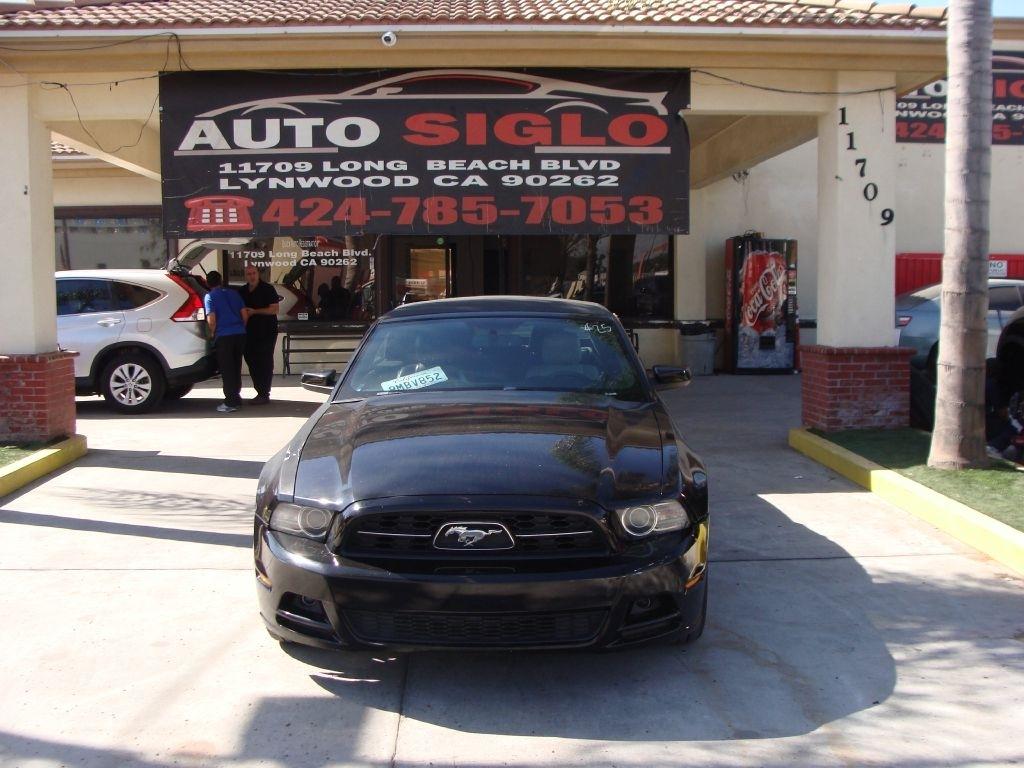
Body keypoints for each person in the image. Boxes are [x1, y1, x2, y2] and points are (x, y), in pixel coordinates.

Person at [203, 270, 247, 413]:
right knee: (236, 367)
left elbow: (212, 320)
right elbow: (244, 314)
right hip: (240, 334)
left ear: (207, 283)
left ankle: (230, 402)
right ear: (221, 280)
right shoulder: (234, 293)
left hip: (224, 336)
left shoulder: (209, 296)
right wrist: (241, 327)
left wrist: (211, 334)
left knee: (227, 370)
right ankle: (237, 398)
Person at [237, 264, 280, 405]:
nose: (252, 276)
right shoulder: (242, 291)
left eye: (254, 273)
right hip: (249, 332)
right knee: (251, 360)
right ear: (245, 276)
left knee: (264, 362)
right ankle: (259, 391)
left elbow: (274, 309)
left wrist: (255, 311)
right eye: (249, 274)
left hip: (266, 332)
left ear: (258, 274)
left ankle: (264, 393)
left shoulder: (267, 289)